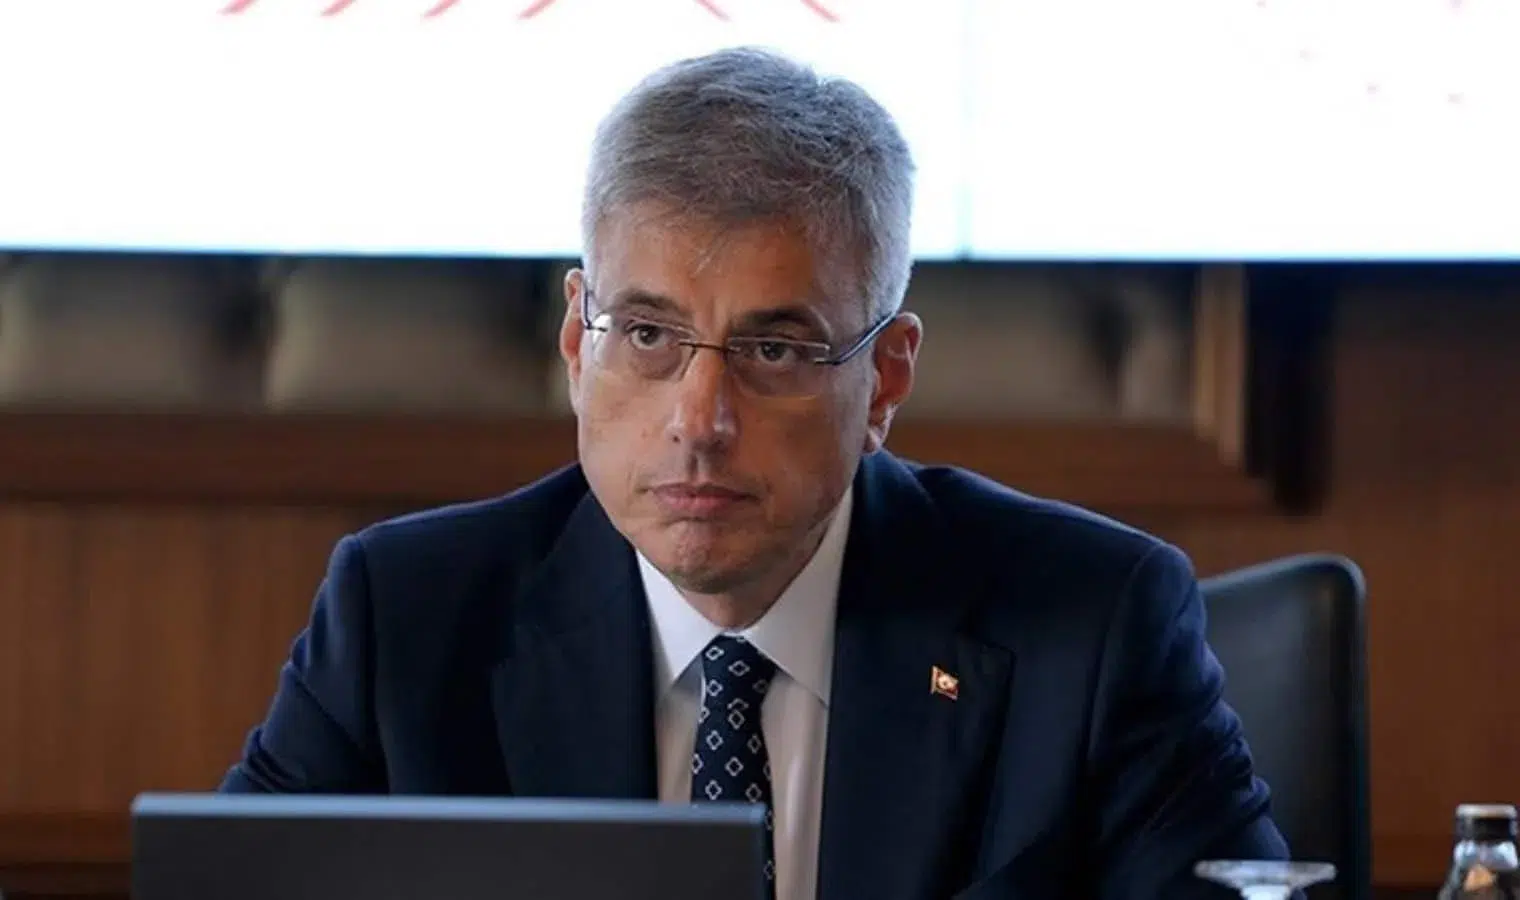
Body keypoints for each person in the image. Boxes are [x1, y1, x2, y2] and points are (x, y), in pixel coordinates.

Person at [221, 46, 1292, 899]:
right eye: (648, 335)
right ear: (576, 344)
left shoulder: (1093, 627)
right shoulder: (405, 621)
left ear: (884, 376)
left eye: (773, 350)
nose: (700, 422)